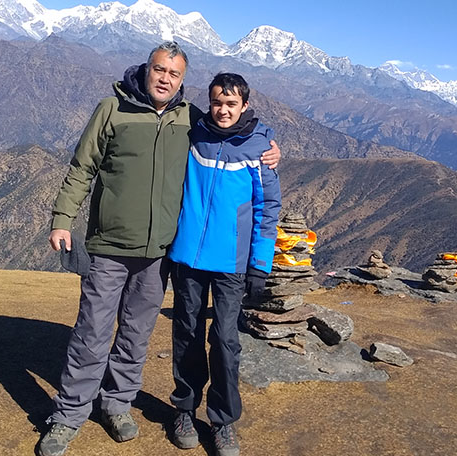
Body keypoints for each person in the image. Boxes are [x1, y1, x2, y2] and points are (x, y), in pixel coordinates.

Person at [37, 43, 279, 456]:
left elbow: (236, 131)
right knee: (92, 332)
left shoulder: (191, 121)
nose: (166, 79)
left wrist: (269, 147)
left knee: (136, 334)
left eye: (175, 74)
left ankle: (117, 404)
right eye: (159, 70)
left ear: (183, 81)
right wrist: (62, 218)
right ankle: (68, 415)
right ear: (146, 70)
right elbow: (82, 167)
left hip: (160, 253)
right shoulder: (112, 110)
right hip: (109, 245)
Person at [165, 73, 281, 456]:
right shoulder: (194, 133)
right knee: (186, 334)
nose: (223, 110)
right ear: (209, 102)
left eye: (231, 104)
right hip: (188, 257)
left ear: (245, 105)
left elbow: (267, 209)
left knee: (226, 341)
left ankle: (223, 421)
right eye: (217, 102)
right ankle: (184, 408)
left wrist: (260, 265)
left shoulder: (260, 149)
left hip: (232, 263)